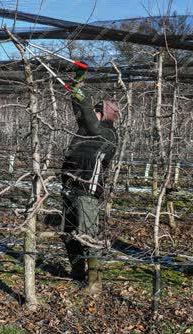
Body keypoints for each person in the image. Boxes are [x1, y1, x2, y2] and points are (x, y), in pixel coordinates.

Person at [60, 61, 119, 290]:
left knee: (88, 235)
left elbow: (90, 121)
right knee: (69, 232)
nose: (91, 114)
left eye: (97, 111)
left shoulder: (107, 134)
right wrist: (76, 85)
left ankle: (94, 281)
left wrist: (82, 95)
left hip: (88, 190)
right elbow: (80, 111)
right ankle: (76, 272)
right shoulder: (87, 130)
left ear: (105, 116)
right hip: (70, 186)